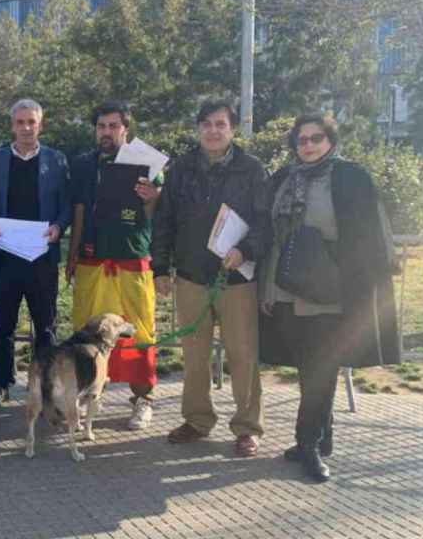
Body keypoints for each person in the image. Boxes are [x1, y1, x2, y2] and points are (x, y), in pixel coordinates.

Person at [259, 114, 400, 482]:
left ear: (331, 140)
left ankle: (308, 443)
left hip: (330, 288)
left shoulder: (350, 177)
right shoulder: (283, 179)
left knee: (321, 367)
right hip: (286, 285)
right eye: (301, 140)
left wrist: (367, 279)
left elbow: (372, 230)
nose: (307, 145)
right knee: (311, 367)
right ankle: (324, 437)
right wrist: (265, 287)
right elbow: (268, 231)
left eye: (315, 138)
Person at [152, 99, 268, 457]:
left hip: (236, 280)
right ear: (198, 128)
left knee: (242, 355)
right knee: (194, 354)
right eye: (206, 124)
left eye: (220, 124)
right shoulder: (181, 168)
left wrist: (246, 250)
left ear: (232, 128)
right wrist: (160, 267)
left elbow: (266, 222)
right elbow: (164, 221)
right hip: (190, 277)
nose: (213, 131)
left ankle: (247, 427)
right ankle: (198, 421)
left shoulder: (252, 170)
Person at [67, 100, 160, 431]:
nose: (106, 132)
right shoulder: (82, 165)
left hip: (132, 260)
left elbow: (157, 214)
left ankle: (143, 399)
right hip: (93, 261)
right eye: (101, 126)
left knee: (139, 332)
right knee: (88, 331)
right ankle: (92, 393)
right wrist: (72, 255)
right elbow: (78, 210)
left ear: (125, 128)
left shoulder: (148, 162)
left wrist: (154, 197)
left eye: (113, 126)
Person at [0, 99, 71, 412]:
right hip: (6, 257)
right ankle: (1, 384)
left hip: (42, 257)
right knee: (3, 326)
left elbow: (67, 205)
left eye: (32, 122)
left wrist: (58, 226)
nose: (26, 128)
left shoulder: (56, 160)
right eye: (20, 122)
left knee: (46, 327)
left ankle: (46, 388)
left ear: (40, 124)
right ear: (12, 126)